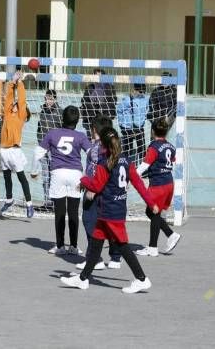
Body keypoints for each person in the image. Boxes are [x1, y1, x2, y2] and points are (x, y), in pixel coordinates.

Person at [60, 127, 159, 293]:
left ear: (102, 145)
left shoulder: (104, 161)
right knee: (97, 243)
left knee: (122, 246)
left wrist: (84, 180)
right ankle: (83, 278)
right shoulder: (126, 161)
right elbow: (139, 184)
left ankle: (141, 278)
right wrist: (151, 203)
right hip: (116, 209)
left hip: (109, 211)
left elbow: (97, 186)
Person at [31, 106, 91, 255]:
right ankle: (74, 246)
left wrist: (34, 171)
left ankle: (59, 246)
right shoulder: (81, 136)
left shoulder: (52, 133)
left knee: (59, 212)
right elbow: (91, 153)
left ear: (61, 118)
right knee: (73, 212)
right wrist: (89, 174)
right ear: (77, 121)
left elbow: (37, 152)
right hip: (75, 175)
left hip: (58, 173)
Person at [76, 115, 122, 270]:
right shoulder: (111, 147)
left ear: (94, 130)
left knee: (89, 221)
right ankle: (115, 257)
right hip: (109, 191)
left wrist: (90, 187)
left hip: (96, 190)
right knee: (107, 223)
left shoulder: (97, 148)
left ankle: (95, 258)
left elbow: (96, 170)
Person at [135, 118, 181, 257]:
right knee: (151, 212)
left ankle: (153, 247)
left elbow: (145, 165)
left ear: (153, 131)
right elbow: (173, 162)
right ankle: (170, 234)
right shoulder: (171, 146)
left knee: (154, 213)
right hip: (168, 182)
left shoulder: (154, 147)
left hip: (159, 184)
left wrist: (132, 175)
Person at [0, 72, 34, 218]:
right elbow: (9, 98)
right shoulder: (7, 114)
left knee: (21, 177)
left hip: (14, 151)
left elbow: (21, 100)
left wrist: (20, 84)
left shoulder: (20, 116)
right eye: (14, 105)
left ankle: (29, 204)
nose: (14, 104)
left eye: (17, 105)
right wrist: (12, 82)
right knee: (6, 176)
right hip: (3, 150)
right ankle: (9, 199)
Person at [36, 89, 62, 206]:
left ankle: (55, 200)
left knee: (54, 175)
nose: (48, 101)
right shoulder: (42, 112)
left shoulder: (60, 112)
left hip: (55, 149)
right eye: (47, 98)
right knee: (45, 176)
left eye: (51, 99)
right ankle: (47, 201)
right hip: (43, 148)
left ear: (55, 99)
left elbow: (63, 130)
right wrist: (40, 143)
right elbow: (39, 129)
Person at [117, 83, 149, 164]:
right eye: (139, 91)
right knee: (127, 149)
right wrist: (122, 124)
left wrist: (142, 122)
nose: (141, 93)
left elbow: (145, 111)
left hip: (138, 128)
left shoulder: (145, 100)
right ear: (134, 90)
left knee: (142, 148)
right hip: (127, 128)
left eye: (142, 91)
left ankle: (142, 167)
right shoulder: (127, 99)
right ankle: (125, 166)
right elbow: (119, 111)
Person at [80, 68, 116, 138]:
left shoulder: (110, 88)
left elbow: (113, 101)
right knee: (92, 139)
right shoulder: (89, 87)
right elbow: (84, 101)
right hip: (92, 118)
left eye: (100, 76)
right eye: (96, 76)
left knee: (105, 138)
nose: (98, 78)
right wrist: (94, 107)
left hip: (105, 119)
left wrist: (101, 107)